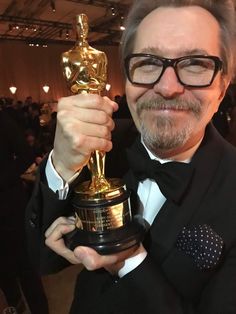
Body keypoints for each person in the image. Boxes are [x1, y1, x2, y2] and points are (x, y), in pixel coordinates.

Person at [26, 0, 236, 313]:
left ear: (221, 88)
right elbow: (43, 260)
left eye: (195, 64)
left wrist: (127, 260)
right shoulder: (101, 143)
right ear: (126, 77)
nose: (167, 87)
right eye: (148, 62)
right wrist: (61, 165)